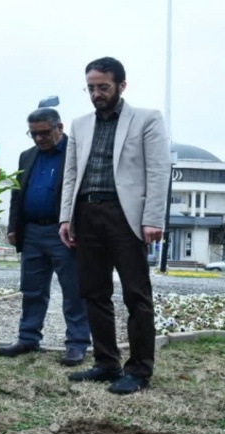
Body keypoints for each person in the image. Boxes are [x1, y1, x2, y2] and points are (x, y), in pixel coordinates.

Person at [58, 57, 171, 395]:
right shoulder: (79, 125)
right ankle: (106, 363)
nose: (96, 93)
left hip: (127, 217)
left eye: (103, 87)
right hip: (87, 215)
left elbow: (158, 170)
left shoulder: (147, 119)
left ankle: (138, 371)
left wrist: (153, 218)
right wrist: (67, 217)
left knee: (136, 295)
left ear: (121, 85)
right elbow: (71, 174)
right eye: (91, 88)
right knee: (93, 293)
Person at [0, 108, 90, 366]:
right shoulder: (27, 156)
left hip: (65, 233)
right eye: (33, 134)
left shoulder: (77, 152)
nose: (38, 139)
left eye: (44, 133)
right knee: (32, 290)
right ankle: (28, 338)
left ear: (59, 127)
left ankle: (77, 344)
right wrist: (14, 227)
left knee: (73, 290)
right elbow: (17, 193)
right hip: (33, 233)